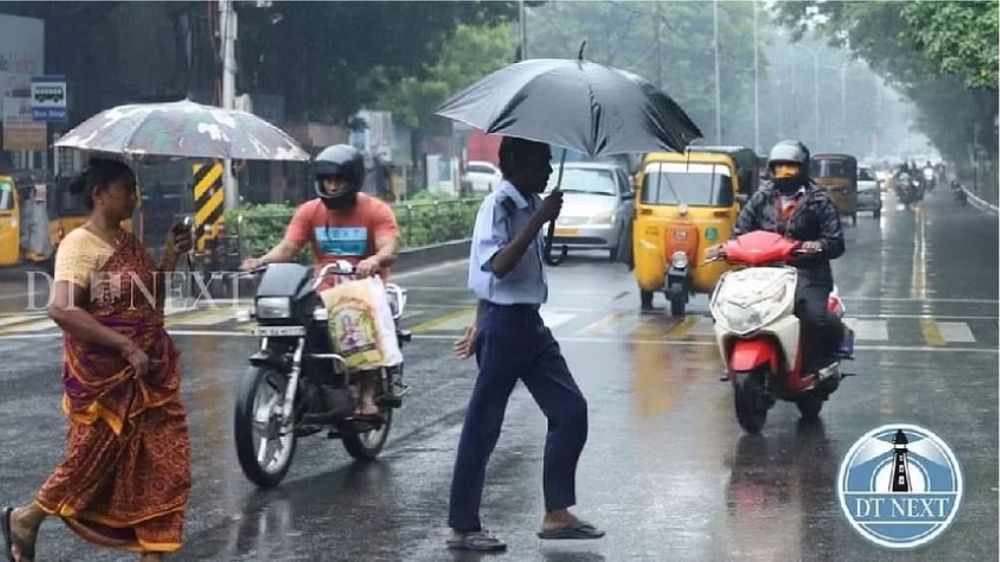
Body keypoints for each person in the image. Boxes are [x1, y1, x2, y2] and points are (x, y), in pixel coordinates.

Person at [1, 158, 193, 562]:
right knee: (90, 463)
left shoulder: (128, 243)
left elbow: (147, 304)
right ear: (100, 194)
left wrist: (170, 258)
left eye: (135, 189)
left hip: (150, 376)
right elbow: (62, 309)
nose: (134, 198)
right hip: (106, 379)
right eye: (127, 189)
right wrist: (125, 347)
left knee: (165, 467)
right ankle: (27, 518)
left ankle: (153, 553)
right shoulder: (78, 246)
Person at [446, 137, 604, 552]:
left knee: (571, 409)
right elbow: (496, 266)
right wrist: (483, 323)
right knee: (483, 426)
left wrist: (542, 217)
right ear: (515, 161)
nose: (549, 169)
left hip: (529, 325)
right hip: (505, 326)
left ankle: (556, 514)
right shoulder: (499, 206)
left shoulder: (531, 203)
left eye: (551, 161)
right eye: (542, 160)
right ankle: (463, 526)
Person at [240, 144, 400, 421]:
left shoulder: (376, 210)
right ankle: (306, 380)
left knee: (354, 315)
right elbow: (287, 249)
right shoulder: (309, 211)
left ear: (353, 180)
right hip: (323, 288)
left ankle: (366, 395)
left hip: (365, 288)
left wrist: (374, 260)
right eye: (327, 179)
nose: (332, 185)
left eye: (338, 180)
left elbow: (390, 248)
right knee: (291, 317)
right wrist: (261, 262)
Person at [730, 140, 848, 376]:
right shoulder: (760, 198)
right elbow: (740, 232)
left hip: (808, 273)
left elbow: (836, 242)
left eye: (790, 168)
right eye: (779, 168)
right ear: (771, 170)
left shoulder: (819, 200)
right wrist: (729, 248)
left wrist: (817, 246)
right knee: (728, 309)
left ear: (802, 169)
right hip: (764, 273)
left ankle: (816, 365)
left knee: (815, 318)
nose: (784, 174)